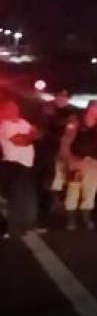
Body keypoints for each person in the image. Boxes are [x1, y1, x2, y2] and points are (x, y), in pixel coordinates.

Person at [60, 100, 97, 230]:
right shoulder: (76, 121)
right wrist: (68, 161)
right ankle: (71, 221)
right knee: (73, 191)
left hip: (92, 163)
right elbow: (65, 141)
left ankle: (86, 219)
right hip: (76, 160)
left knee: (90, 192)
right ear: (91, 109)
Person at [0, 100, 40, 239]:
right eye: (10, 109)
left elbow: (38, 134)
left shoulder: (22, 122)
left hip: (27, 165)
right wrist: (31, 135)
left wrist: (31, 135)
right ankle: (13, 229)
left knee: (28, 199)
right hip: (14, 165)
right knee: (17, 199)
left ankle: (29, 226)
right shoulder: (5, 125)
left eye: (16, 108)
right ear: (4, 111)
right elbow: (20, 142)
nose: (14, 111)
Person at [36, 89, 74, 226]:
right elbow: (44, 126)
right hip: (47, 148)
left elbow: (71, 131)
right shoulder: (48, 107)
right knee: (47, 175)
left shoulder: (71, 112)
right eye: (60, 96)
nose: (62, 99)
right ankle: (45, 204)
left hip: (63, 149)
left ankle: (54, 203)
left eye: (65, 97)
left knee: (60, 177)